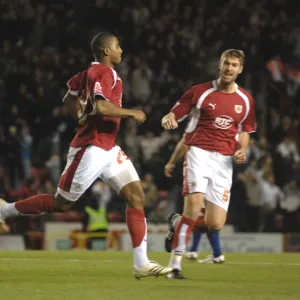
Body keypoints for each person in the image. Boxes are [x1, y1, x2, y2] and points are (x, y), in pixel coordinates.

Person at [0, 32, 172, 279]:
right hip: (91, 147)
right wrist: (132, 113)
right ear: (105, 51)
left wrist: (78, 114)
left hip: (109, 148)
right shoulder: (102, 72)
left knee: (136, 197)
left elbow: (69, 96)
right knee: (62, 203)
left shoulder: (88, 73)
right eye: (117, 46)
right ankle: (5, 211)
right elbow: (101, 106)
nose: (121, 50)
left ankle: (141, 262)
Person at [161, 49, 256, 279]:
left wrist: (242, 149)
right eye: (226, 63)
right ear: (219, 65)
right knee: (193, 208)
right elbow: (175, 113)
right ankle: (175, 265)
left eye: (234, 65)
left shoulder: (245, 100)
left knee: (214, 224)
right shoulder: (200, 92)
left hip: (224, 162)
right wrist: (169, 118)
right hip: (199, 154)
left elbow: (245, 131)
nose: (229, 68)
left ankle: (177, 221)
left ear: (240, 69)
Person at [164, 137, 225, 266]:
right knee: (200, 214)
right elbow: (186, 141)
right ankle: (199, 253)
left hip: (219, 172)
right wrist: (172, 162)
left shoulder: (226, 124)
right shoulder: (199, 125)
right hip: (199, 171)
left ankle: (177, 223)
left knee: (215, 220)